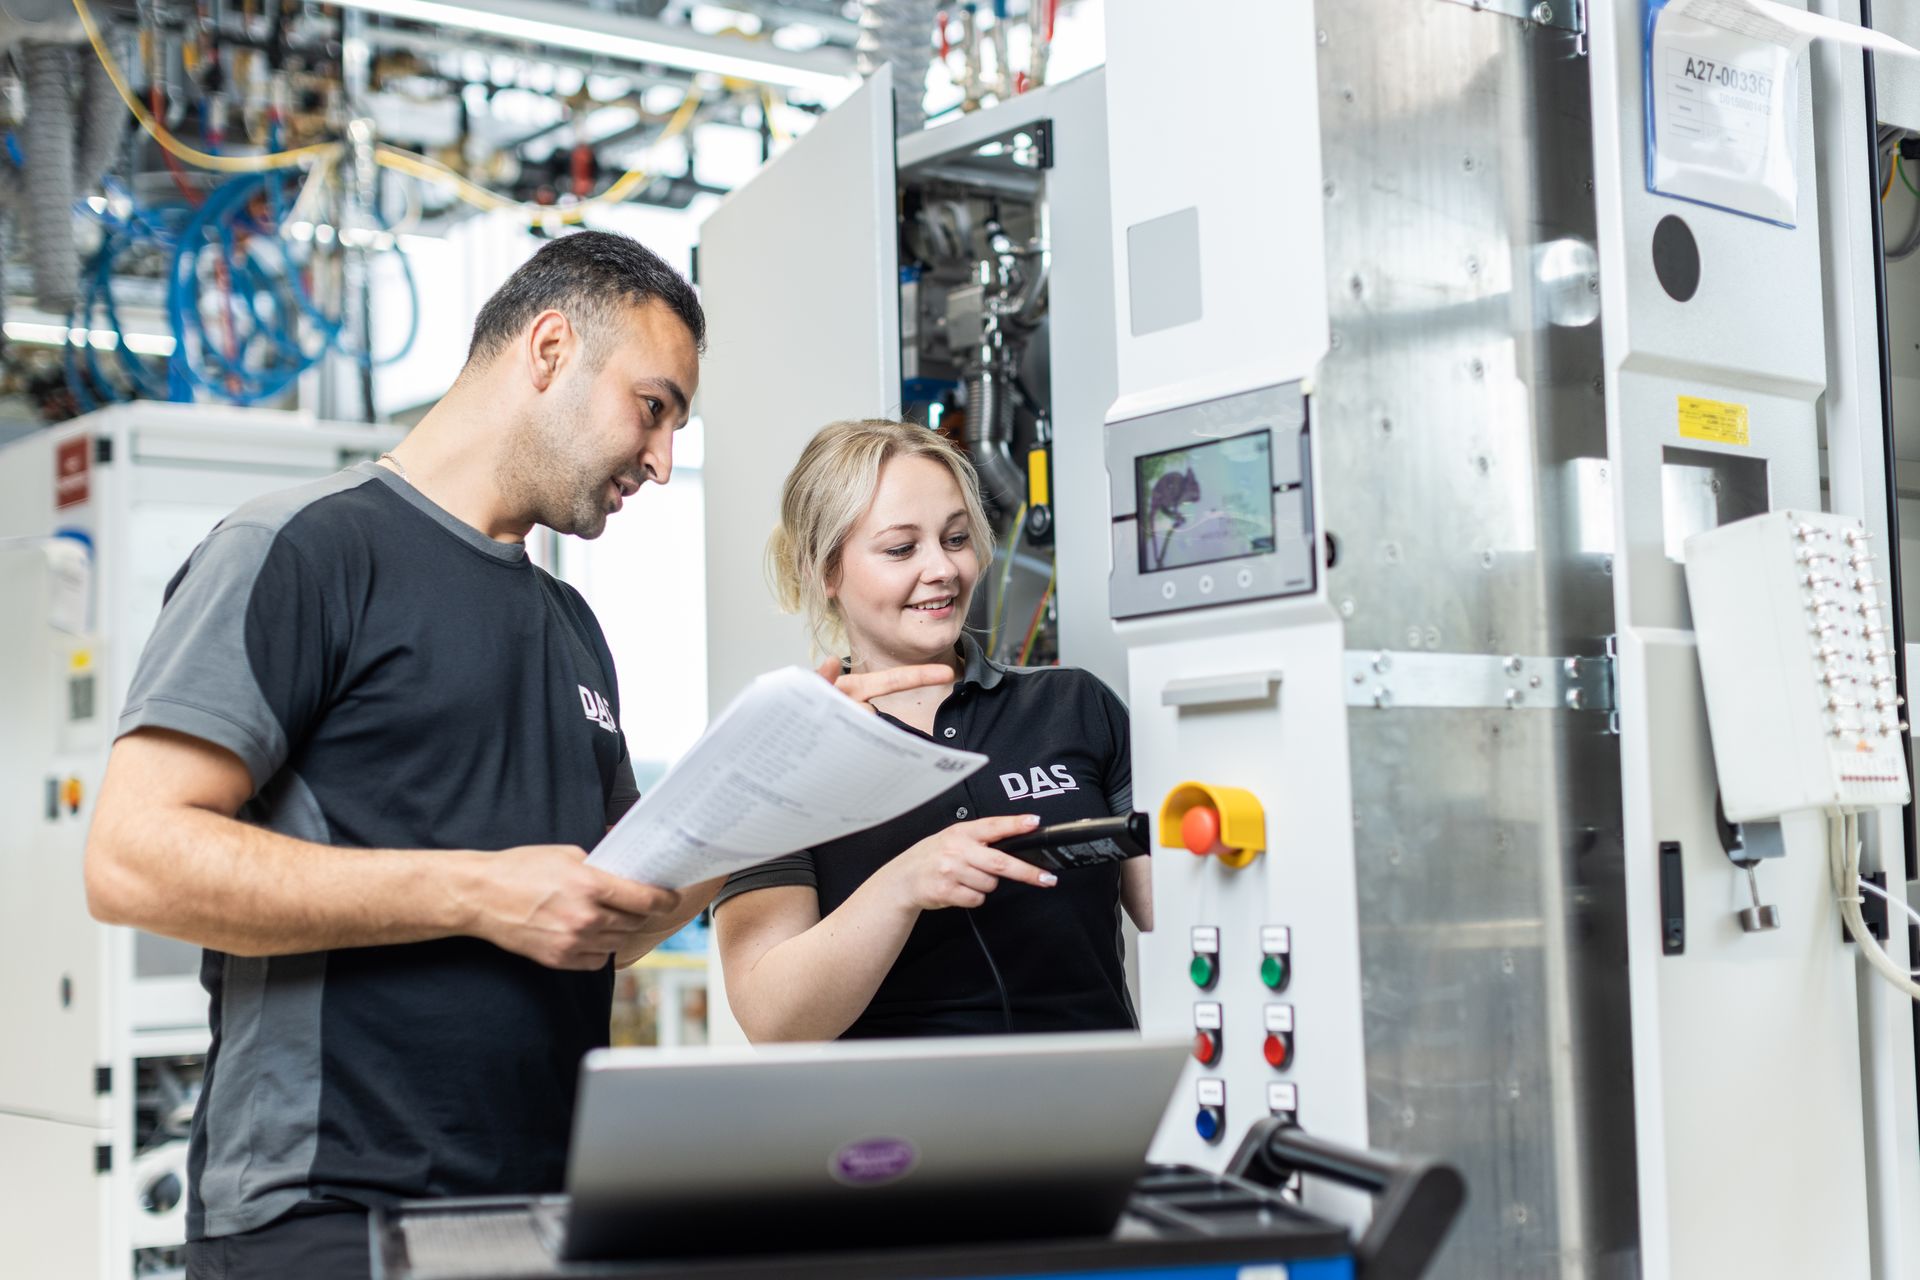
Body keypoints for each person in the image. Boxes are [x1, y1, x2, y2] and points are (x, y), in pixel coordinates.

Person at [77, 232, 942, 1280]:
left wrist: (790, 786)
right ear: (549, 348)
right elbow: (132, 857)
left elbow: (609, 921)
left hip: (544, 1201)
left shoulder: (572, 625)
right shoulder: (302, 550)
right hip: (329, 1208)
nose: (662, 461)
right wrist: (479, 892)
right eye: (653, 407)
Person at [714, 419, 1153, 1043]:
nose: (943, 568)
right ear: (825, 570)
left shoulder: (1075, 705)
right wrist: (903, 885)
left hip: (1097, 1097)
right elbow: (773, 1020)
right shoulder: (779, 753)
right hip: (900, 1107)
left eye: (956, 538)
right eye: (901, 549)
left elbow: (1180, 906)